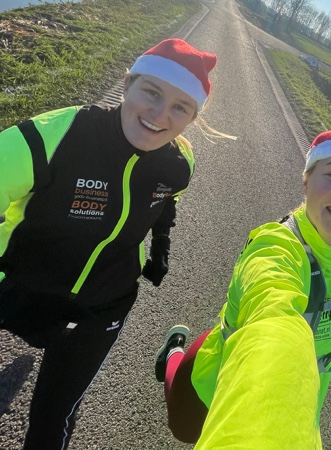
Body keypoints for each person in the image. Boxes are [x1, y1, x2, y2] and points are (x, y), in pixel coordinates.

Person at [0, 38, 225, 449]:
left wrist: (161, 243)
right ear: (127, 84)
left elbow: (168, 200)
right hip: (14, 283)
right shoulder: (58, 136)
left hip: (102, 304)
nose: (160, 115)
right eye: (152, 93)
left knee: (53, 419)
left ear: (193, 118)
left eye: (180, 107)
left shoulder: (180, 163)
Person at [154, 124, 331, 448]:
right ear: (306, 180)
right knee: (183, 430)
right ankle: (173, 353)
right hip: (209, 384)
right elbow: (273, 313)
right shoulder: (275, 246)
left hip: (296, 410)